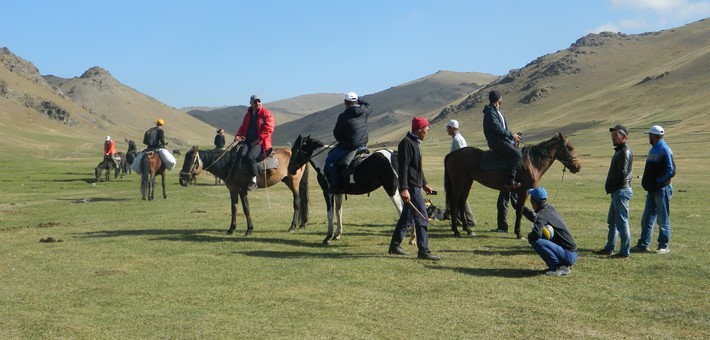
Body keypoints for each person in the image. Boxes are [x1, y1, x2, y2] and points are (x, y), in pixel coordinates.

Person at [388, 116, 440, 260]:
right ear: (419, 129)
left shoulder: (415, 142)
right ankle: (424, 251)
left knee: (407, 218)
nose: (428, 131)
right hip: (410, 187)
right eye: (426, 129)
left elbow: (416, 167)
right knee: (422, 218)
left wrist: (424, 183)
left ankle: (394, 246)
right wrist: (404, 188)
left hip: (416, 185)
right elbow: (403, 168)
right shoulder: (406, 143)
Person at [633, 125, 675, 254]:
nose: (648, 137)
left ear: (654, 136)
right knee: (647, 218)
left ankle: (663, 245)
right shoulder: (653, 149)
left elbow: (671, 170)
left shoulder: (664, 149)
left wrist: (658, 181)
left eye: (649, 135)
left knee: (662, 219)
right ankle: (643, 244)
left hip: (661, 189)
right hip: (652, 189)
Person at [596, 125, 634, 258]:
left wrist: (611, 183)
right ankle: (609, 248)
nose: (612, 136)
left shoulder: (624, 152)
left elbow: (622, 173)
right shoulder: (619, 151)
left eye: (616, 135)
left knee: (622, 222)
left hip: (621, 191)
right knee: (612, 221)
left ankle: (624, 252)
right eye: (612, 134)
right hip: (617, 191)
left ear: (624, 137)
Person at [325, 92, 372, 194]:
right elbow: (369, 104)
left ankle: (336, 186)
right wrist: (359, 100)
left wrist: (341, 139)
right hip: (363, 144)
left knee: (329, 161)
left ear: (345, 102)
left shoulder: (343, 116)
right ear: (356, 101)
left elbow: (337, 134)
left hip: (349, 147)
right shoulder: (365, 110)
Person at [526, 187, 578, 276]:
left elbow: (536, 234)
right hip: (572, 253)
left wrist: (530, 236)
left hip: (568, 255)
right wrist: (521, 208)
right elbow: (536, 218)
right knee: (540, 238)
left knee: (536, 241)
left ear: (533, 201)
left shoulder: (542, 214)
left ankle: (559, 267)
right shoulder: (549, 209)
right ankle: (560, 266)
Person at [234, 95, 275, 191]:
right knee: (239, 154)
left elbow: (269, 129)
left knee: (250, 157)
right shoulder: (248, 114)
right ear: (251, 103)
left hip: (260, 143)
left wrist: (258, 140)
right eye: (255, 102)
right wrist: (238, 135)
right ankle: (241, 178)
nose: (257, 103)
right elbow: (243, 127)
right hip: (247, 141)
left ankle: (254, 181)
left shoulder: (266, 114)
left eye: (258, 101)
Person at [483, 90, 522, 189]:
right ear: (498, 99)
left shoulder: (497, 111)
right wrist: (512, 135)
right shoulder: (490, 113)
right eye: (501, 97)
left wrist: (512, 140)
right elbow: (498, 129)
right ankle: (510, 180)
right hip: (496, 142)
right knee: (518, 155)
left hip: (502, 141)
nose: (502, 99)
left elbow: (503, 129)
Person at [445, 119, 476, 228]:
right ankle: (460, 219)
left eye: (448, 128)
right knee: (459, 197)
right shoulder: (457, 139)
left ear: (453, 128)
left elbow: (462, 157)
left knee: (459, 197)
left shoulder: (457, 140)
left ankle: (469, 220)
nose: (447, 130)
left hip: (459, 173)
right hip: (458, 172)